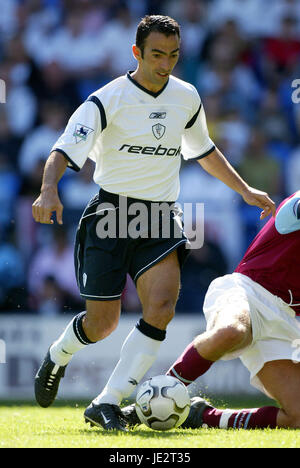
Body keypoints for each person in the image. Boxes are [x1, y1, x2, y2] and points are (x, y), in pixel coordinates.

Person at [32, 15, 275, 432]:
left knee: (161, 309)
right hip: (110, 213)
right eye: (157, 55)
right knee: (102, 323)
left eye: (174, 55)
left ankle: (106, 401)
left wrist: (244, 189)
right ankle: (58, 354)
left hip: (160, 215)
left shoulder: (186, 97)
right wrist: (48, 189)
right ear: (137, 53)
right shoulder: (105, 99)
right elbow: (62, 150)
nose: (166, 64)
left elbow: (204, 151)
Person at [123, 191, 300, 430]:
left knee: (297, 415)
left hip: (289, 322)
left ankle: (202, 416)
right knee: (231, 331)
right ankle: (155, 396)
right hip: (251, 291)